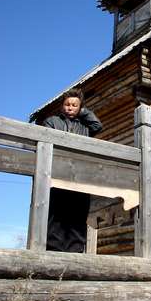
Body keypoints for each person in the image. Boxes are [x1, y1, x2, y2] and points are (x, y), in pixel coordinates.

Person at [43, 88, 102, 252]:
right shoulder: (52, 121)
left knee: (77, 215)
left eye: (74, 105)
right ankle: (54, 253)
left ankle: (74, 253)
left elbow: (98, 126)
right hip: (58, 173)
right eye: (67, 104)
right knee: (56, 215)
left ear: (80, 107)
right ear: (62, 106)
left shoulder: (85, 125)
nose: (70, 108)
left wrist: (83, 112)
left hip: (81, 175)